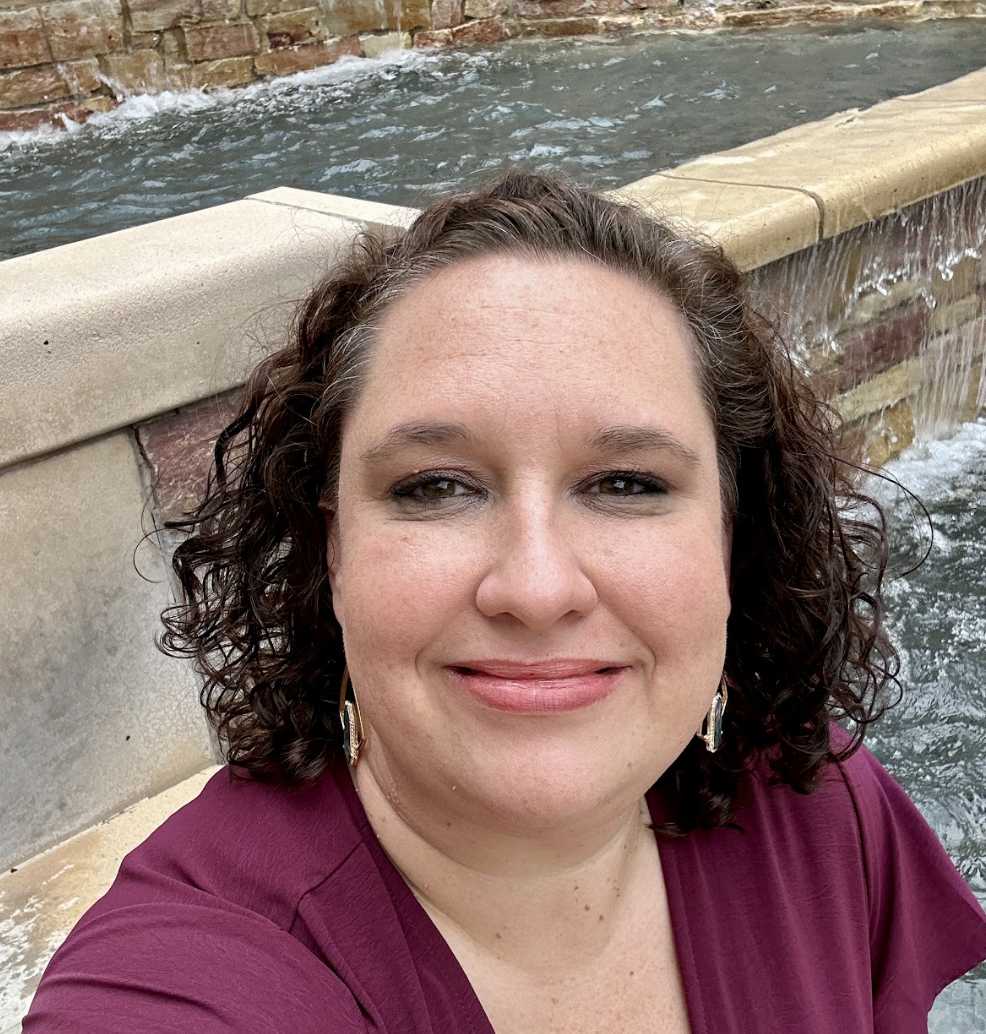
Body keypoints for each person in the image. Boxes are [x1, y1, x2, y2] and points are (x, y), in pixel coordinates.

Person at [24, 172, 986, 1033]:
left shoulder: (817, 801)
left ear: (731, 540)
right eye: (435, 486)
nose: (536, 587)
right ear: (333, 551)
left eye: (626, 484)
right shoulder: (192, 980)